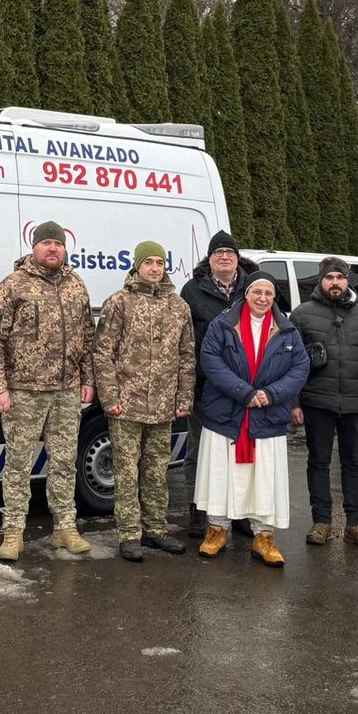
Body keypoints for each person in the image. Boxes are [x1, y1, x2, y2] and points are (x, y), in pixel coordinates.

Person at [0, 221, 96, 562]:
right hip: (24, 392)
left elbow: (88, 337)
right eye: (46, 243)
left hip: (65, 391)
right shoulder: (13, 285)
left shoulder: (76, 285)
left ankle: (64, 527)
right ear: (34, 247)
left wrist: (87, 380)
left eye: (57, 244)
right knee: (18, 464)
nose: (52, 249)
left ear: (65, 248)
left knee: (64, 462)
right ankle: (13, 532)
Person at [195, 271, 311, 566]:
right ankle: (217, 530)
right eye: (257, 293)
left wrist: (270, 394)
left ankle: (264, 537)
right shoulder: (223, 325)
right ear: (245, 295)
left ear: (274, 298)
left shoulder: (286, 330)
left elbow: (300, 368)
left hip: (267, 415)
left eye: (268, 294)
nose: (262, 299)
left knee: (265, 478)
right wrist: (244, 392)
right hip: (227, 412)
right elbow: (210, 360)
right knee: (220, 474)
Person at [93, 242, 195, 562]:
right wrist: (109, 397)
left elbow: (187, 356)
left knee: (155, 470)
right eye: (148, 262)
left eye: (159, 262)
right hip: (127, 404)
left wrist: (184, 397)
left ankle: (155, 529)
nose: (154, 267)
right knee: (126, 470)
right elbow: (102, 353)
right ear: (136, 266)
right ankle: (129, 533)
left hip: (164, 404)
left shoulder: (178, 306)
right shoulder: (119, 303)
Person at [290, 257, 358, 550]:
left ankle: (356, 524)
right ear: (321, 280)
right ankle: (322, 522)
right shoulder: (302, 315)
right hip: (317, 401)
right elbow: (290, 362)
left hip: (356, 403)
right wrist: (294, 402)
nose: (335, 282)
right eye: (329, 277)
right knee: (318, 462)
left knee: (353, 464)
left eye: (340, 278)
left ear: (348, 282)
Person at [180, 230, 259, 537]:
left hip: (245, 388)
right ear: (209, 259)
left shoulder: (253, 288)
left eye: (229, 252)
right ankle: (198, 509)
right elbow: (184, 339)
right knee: (200, 450)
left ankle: (238, 511)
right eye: (218, 253)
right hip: (205, 386)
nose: (224, 257)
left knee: (242, 450)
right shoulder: (192, 290)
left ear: (237, 258)